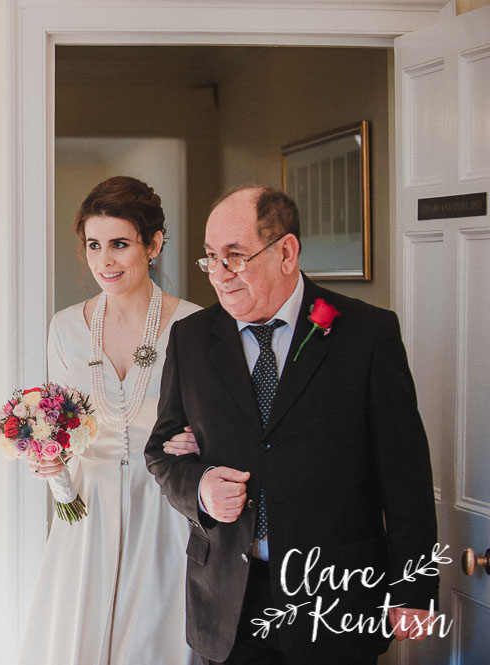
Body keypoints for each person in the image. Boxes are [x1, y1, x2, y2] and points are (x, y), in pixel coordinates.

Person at [144, 186, 438, 665]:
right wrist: (199, 487)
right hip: (229, 601)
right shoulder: (191, 338)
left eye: (235, 256)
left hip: (336, 600)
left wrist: (415, 587)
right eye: (211, 257)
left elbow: (405, 475)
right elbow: (160, 453)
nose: (219, 274)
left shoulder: (367, 334)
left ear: (286, 252)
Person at [20, 176, 202, 665]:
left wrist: (199, 443)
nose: (104, 261)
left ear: (153, 245)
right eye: (94, 245)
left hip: (165, 507)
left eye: (120, 244)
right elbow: (59, 429)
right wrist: (52, 468)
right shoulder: (65, 327)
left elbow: (224, 426)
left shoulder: (196, 324)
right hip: (87, 513)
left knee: (155, 642)